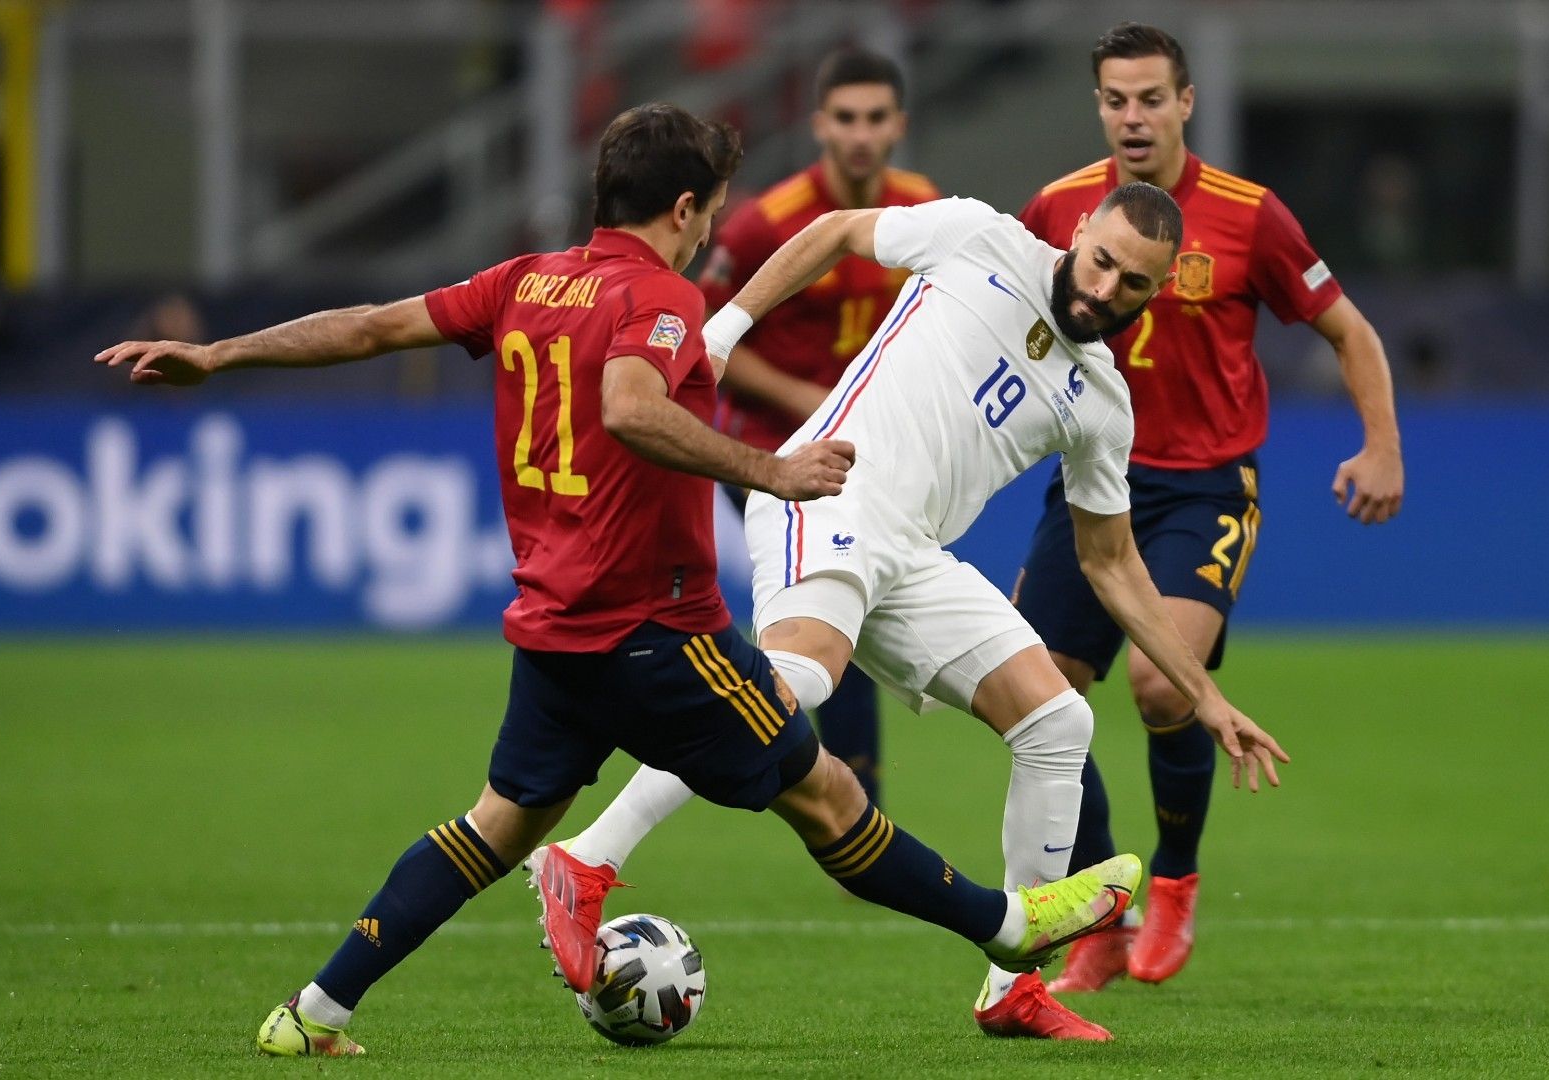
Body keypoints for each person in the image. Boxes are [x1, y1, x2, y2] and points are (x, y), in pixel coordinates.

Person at [96, 102, 1136, 1057]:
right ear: (683, 207)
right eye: (710, 213)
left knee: (488, 830)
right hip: (658, 630)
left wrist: (220, 354)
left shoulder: (522, 281)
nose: (706, 234)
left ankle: (310, 1013)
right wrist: (771, 469)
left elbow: (369, 325)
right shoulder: (662, 298)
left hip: (552, 630)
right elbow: (635, 407)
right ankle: (1012, 926)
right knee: (830, 798)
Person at [538, 182, 1288, 1041]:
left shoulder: (1102, 400)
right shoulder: (979, 235)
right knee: (800, 679)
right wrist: (724, 327)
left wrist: (1209, 698)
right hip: (824, 494)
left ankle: (1014, 984)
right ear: (1079, 233)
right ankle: (585, 857)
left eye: (1133, 285)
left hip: (914, 555)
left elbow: (1111, 563)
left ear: (1159, 293)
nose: (1105, 289)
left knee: (1058, 724)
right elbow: (838, 231)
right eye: (1103, 261)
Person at [1015, 23, 1406, 993]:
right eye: (1116, 100)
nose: (1133, 117)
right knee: (1036, 698)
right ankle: (1106, 903)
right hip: (1089, 480)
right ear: (1098, 105)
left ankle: (1179, 881)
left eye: (1152, 98)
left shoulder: (1250, 216)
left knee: (1159, 685)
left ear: (1187, 102)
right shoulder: (1061, 207)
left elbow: (1347, 330)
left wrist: (1382, 444)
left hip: (1204, 485)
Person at [699, 45, 940, 810]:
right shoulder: (765, 223)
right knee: (835, 614)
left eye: (875, 118)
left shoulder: (921, 205)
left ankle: (832, 792)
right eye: (845, 118)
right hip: (771, 455)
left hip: (865, 458)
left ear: (898, 124)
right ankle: (840, 795)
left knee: (845, 624)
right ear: (819, 126)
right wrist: (810, 396)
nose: (860, 134)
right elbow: (711, 340)